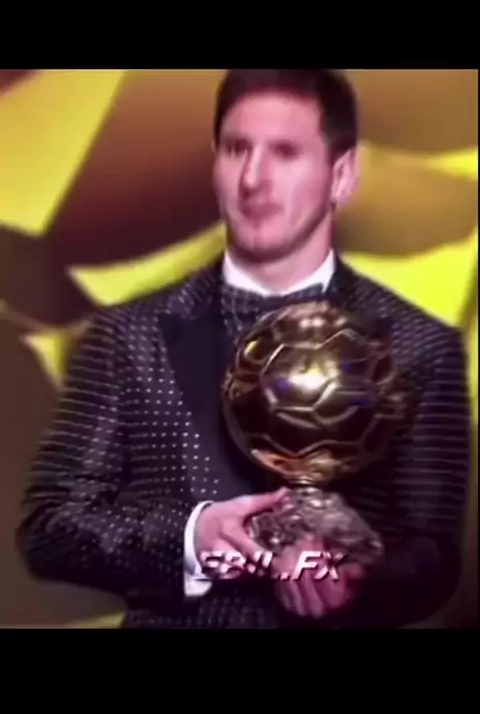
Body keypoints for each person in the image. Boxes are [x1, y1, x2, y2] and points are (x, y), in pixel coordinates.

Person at [16, 69, 471, 628]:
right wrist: (192, 538)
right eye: (236, 149)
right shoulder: (125, 338)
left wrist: (357, 576)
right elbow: (50, 529)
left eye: (285, 152)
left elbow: (433, 559)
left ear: (342, 175)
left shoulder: (420, 346)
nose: (253, 178)